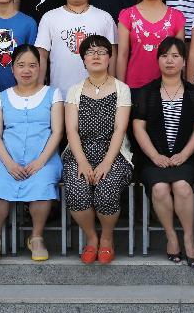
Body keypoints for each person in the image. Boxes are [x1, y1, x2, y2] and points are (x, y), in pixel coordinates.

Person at [0, 45, 64, 263]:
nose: (26, 70)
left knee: (42, 188)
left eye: (32, 65)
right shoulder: (1, 97)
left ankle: (36, 237)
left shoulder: (52, 94)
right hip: (8, 157)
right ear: (12, 69)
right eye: (21, 65)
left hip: (44, 158)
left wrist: (40, 162)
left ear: (40, 68)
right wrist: (8, 163)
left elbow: (57, 132)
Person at [132, 37, 194, 266]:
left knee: (182, 187)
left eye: (175, 56)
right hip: (153, 159)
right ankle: (171, 236)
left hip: (185, 157)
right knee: (160, 188)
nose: (170, 61)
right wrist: (155, 156)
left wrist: (184, 154)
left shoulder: (193, 93)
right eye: (164, 56)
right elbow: (138, 127)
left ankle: (189, 238)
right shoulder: (147, 92)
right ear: (158, 60)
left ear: (184, 61)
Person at [62, 35, 133, 265]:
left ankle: (107, 239)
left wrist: (106, 163)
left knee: (106, 189)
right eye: (90, 52)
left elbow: (120, 130)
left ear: (109, 57)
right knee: (77, 190)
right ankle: (92, 238)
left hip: (114, 153)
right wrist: (82, 162)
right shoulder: (74, 90)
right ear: (83, 59)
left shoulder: (122, 89)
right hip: (79, 152)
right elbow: (71, 130)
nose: (96, 56)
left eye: (101, 51)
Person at [35, 0, 117, 94]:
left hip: (98, 95)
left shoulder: (104, 18)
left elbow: (113, 56)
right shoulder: (49, 18)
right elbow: (41, 57)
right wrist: (39, 92)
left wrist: (112, 89)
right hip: (60, 94)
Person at [116, 0, 186, 90]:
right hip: (134, 85)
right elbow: (122, 55)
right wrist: (121, 90)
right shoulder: (127, 15)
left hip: (167, 88)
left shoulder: (176, 16)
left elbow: (180, 56)